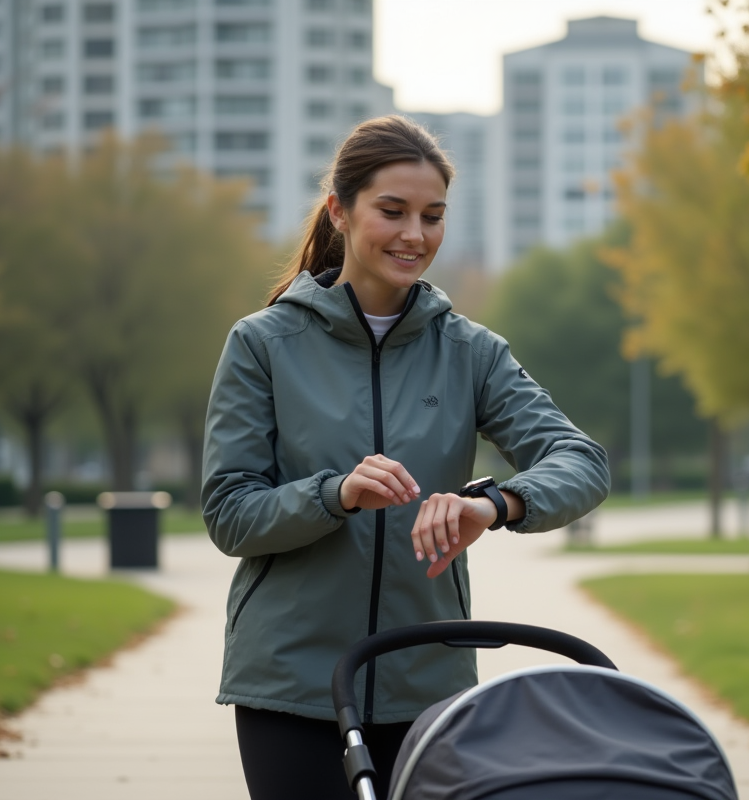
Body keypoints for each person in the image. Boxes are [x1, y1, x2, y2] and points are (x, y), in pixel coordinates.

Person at [201, 115, 610, 800]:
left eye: (433, 215)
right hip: (290, 687)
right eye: (392, 211)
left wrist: (494, 504)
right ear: (340, 208)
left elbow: (580, 461)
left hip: (428, 685)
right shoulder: (262, 345)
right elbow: (230, 514)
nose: (415, 235)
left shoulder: (471, 351)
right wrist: (336, 495)